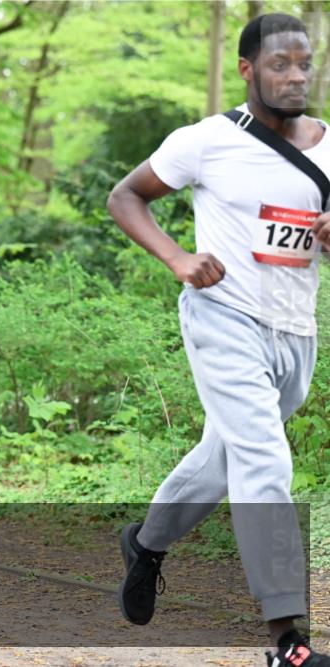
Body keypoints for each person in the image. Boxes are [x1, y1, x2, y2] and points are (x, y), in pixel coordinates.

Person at [107, 14, 330, 666]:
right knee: (265, 459)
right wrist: (177, 257)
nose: (294, 75)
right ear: (247, 69)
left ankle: (146, 543)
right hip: (221, 317)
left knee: (226, 457)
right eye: (280, 63)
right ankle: (287, 639)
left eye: (303, 63)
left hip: (297, 335)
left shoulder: (329, 146)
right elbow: (126, 196)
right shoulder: (209, 140)